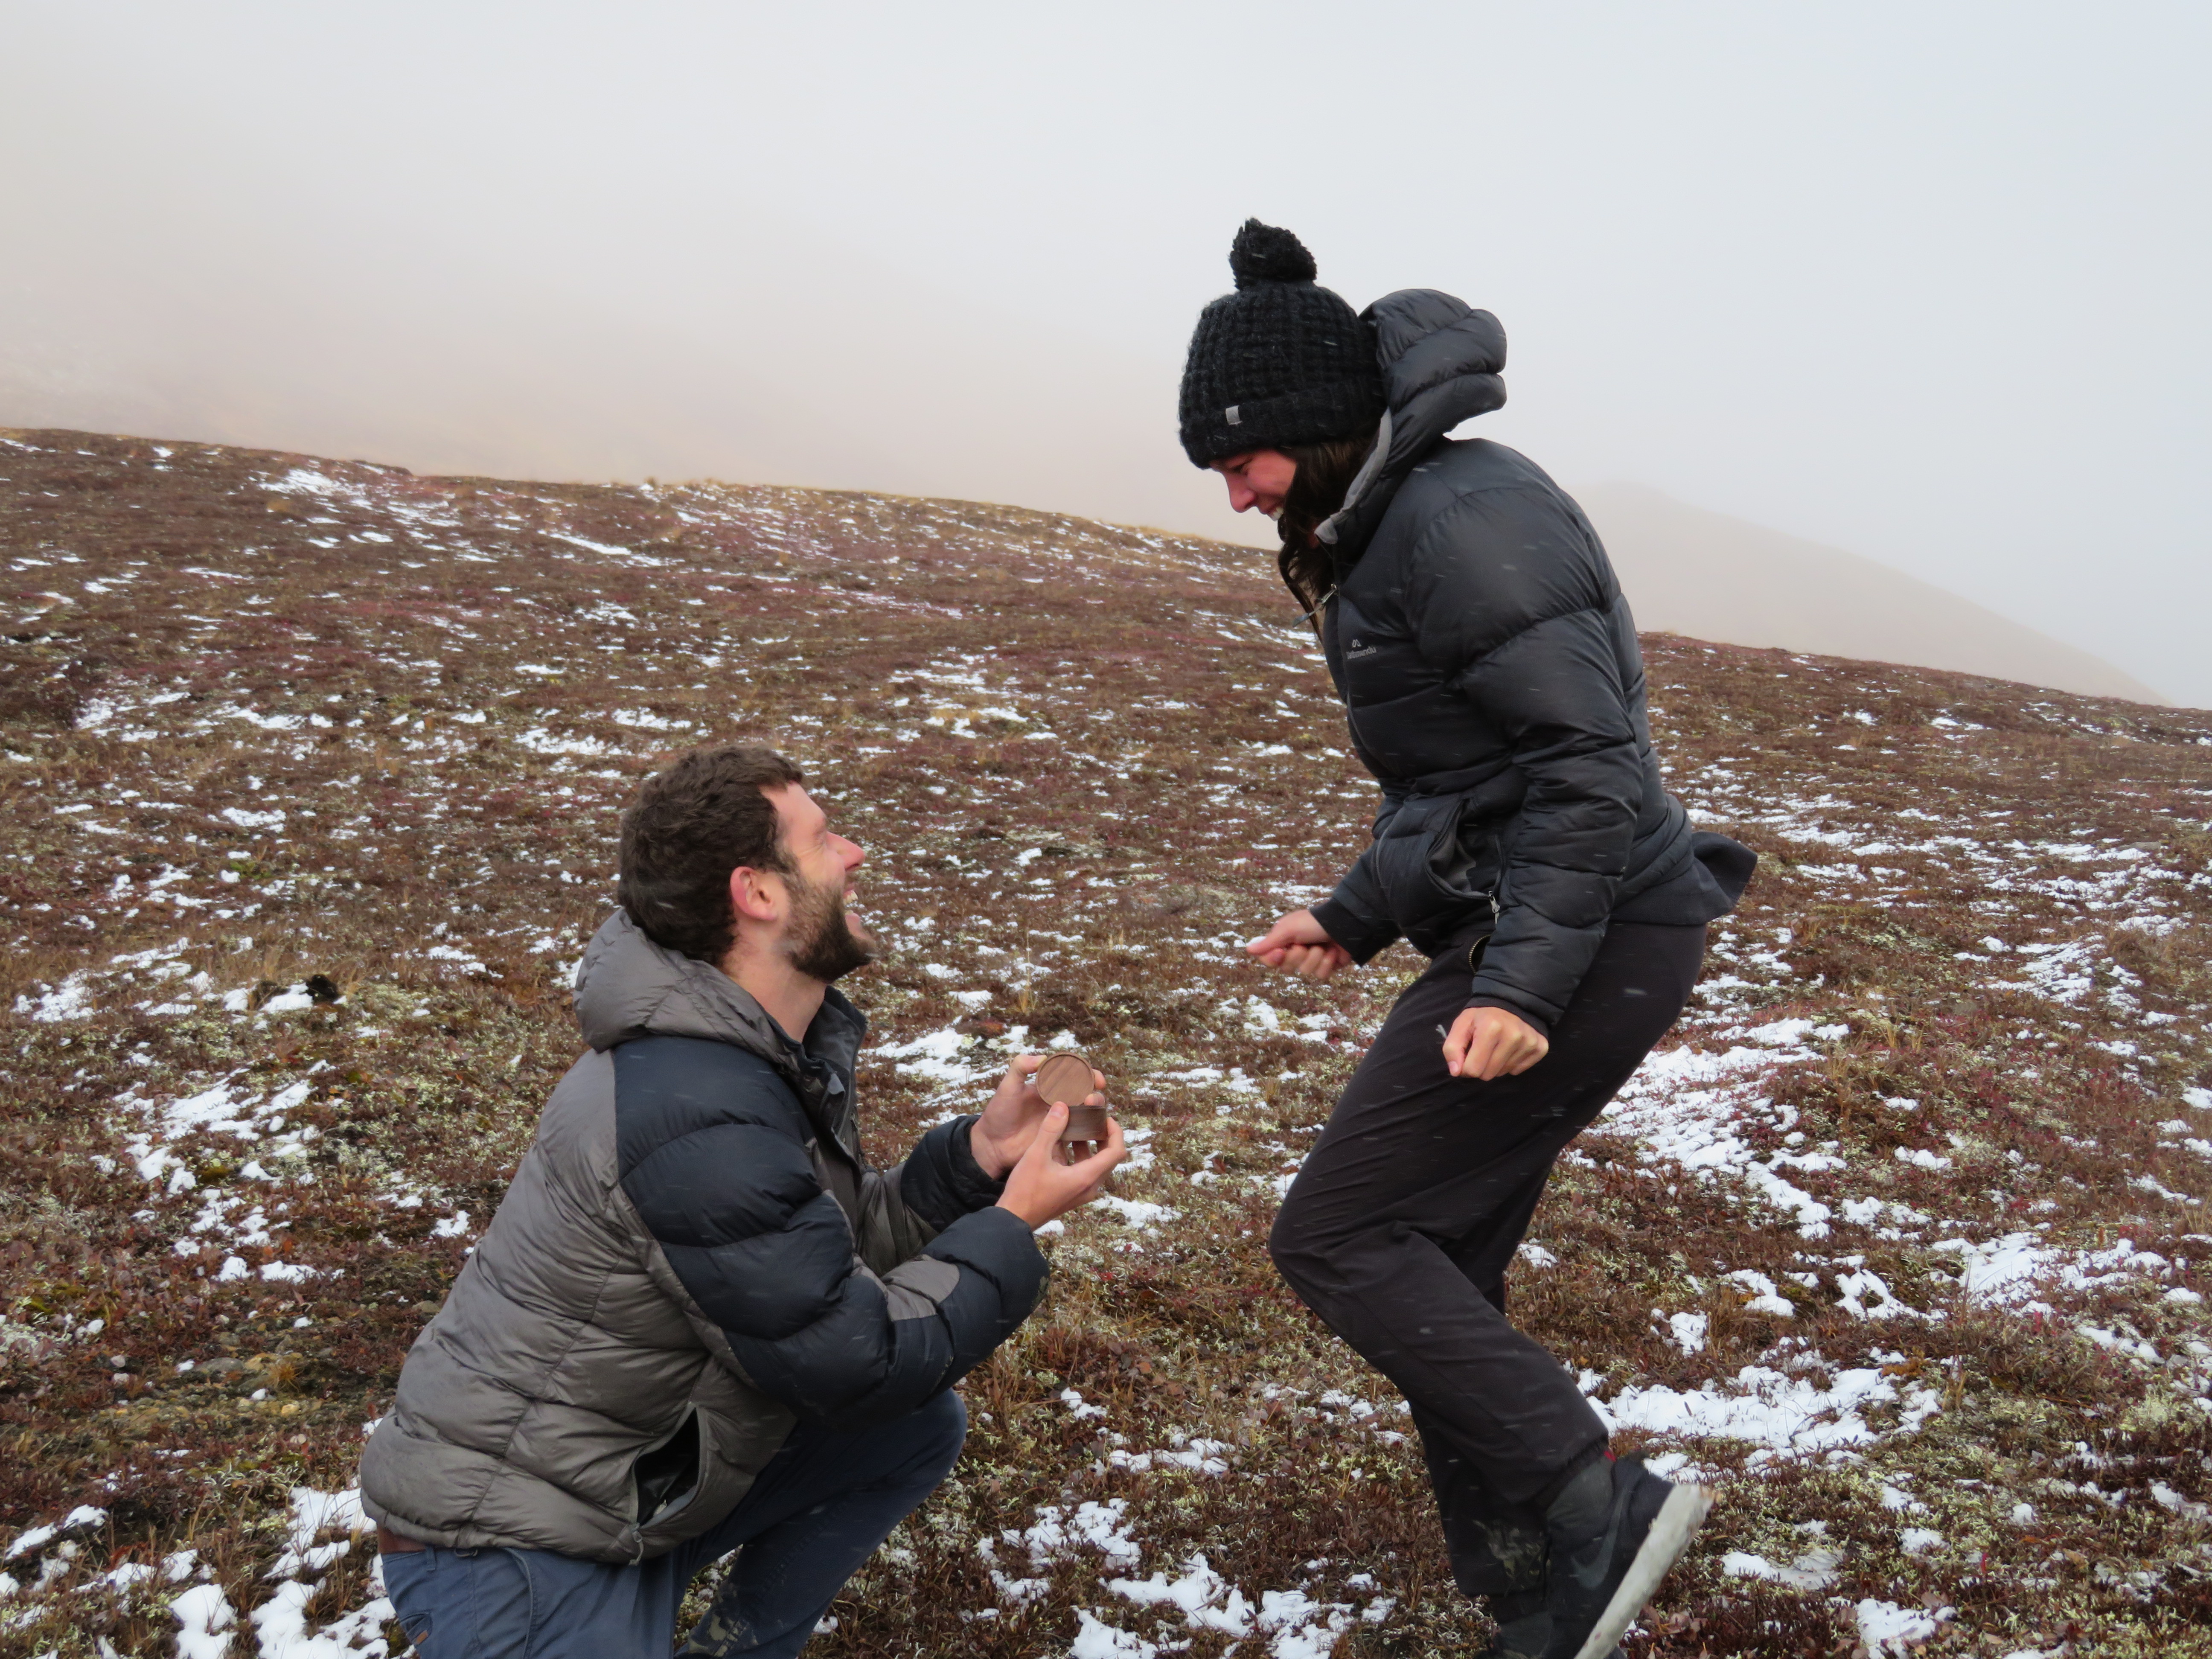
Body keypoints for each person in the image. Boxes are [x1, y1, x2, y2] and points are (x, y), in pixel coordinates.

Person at [1178, 221, 1756, 1659]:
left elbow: (1583, 767)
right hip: (1545, 925)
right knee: (1430, 1246)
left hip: (1592, 934)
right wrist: (1358, 909)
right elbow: (1455, 780)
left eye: (1239, 457)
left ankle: (1593, 1505)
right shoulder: (1384, 523)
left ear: (1313, 429)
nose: (1233, 490)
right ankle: (1535, 1573)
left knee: (1341, 1231)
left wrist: (1520, 989)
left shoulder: (1462, 520)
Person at [359, 742, 1124, 1658]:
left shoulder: (736, 1053)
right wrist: (1010, 1226)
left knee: (912, 1429)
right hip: (514, 1540)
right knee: (890, 1398)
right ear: (757, 893)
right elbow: (854, 1359)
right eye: (824, 837)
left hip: (623, 1479)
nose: (853, 856)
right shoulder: (694, 1110)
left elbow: (807, 1267)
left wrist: (980, 1157)